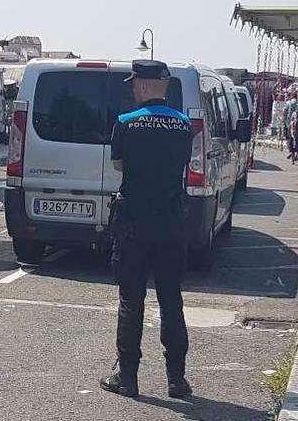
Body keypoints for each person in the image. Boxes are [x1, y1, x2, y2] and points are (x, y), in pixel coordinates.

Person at [100, 60, 193, 399]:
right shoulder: (184, 125)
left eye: (134, 83)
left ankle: (127, 377)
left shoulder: (125, 122)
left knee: (131, 300)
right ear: (166, 86)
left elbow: (119, 164)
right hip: (170, 220)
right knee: (171, 299)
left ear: (140, 85)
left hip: (133, 221)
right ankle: (176, 379)